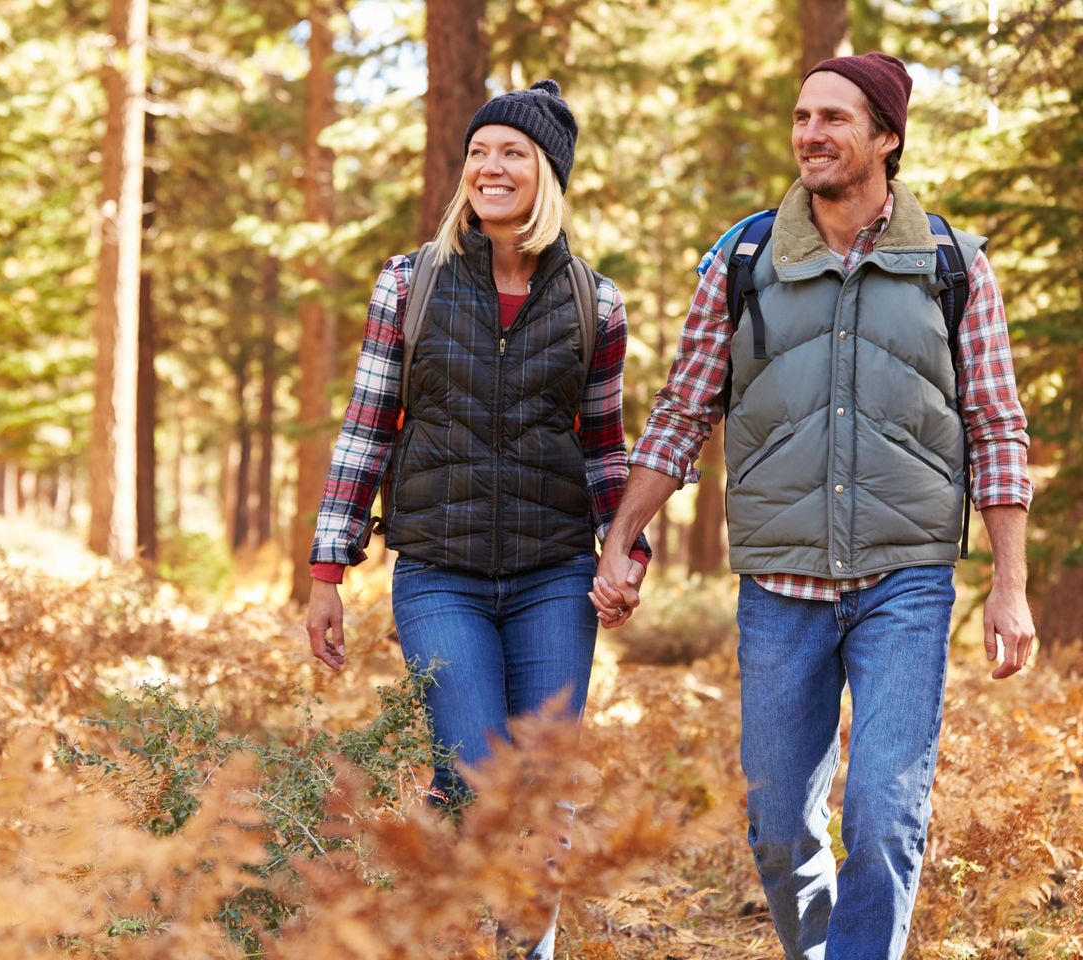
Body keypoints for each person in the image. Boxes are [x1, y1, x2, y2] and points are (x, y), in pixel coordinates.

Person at [592, 52, 1035, 959]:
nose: (811, 135)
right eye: (802, 117)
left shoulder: (952, 263)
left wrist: (1010, 584)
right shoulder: (745, 256)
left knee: (882, 815)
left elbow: (995, 424)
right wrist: (622, 540)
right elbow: (683, 408)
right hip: (780, 586)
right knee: (779, 827)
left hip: (904, 585)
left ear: (886, 137)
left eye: (834, 118)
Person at [305, 79, 649, 957]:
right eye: (480, 154)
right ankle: (433, 905)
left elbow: (606, 448)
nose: (491, 168)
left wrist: (626, 551)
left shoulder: (594, 304)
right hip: (439, 574)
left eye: (513, 155)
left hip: (554, 578)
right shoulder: (408, 285)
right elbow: (367, 425)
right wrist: (327, 571)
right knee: (471, 776)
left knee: (541, 792)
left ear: (547, 176)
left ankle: (520, 946)